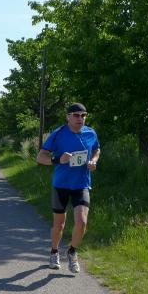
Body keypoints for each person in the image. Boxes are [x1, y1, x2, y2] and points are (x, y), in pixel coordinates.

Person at [36, 102, 101, 274]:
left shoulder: (90, 133)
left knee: (82, 222)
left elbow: (96, 150)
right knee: (59, 225)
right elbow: (40, 157)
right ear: (68, 117)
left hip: (81, 184)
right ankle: (54, 251)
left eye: (83, 115)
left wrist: (93, 161)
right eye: (76, 115)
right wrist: (58, 160)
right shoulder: (58, 134)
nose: (80, 118)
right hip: (61, 185)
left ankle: (72, 252)